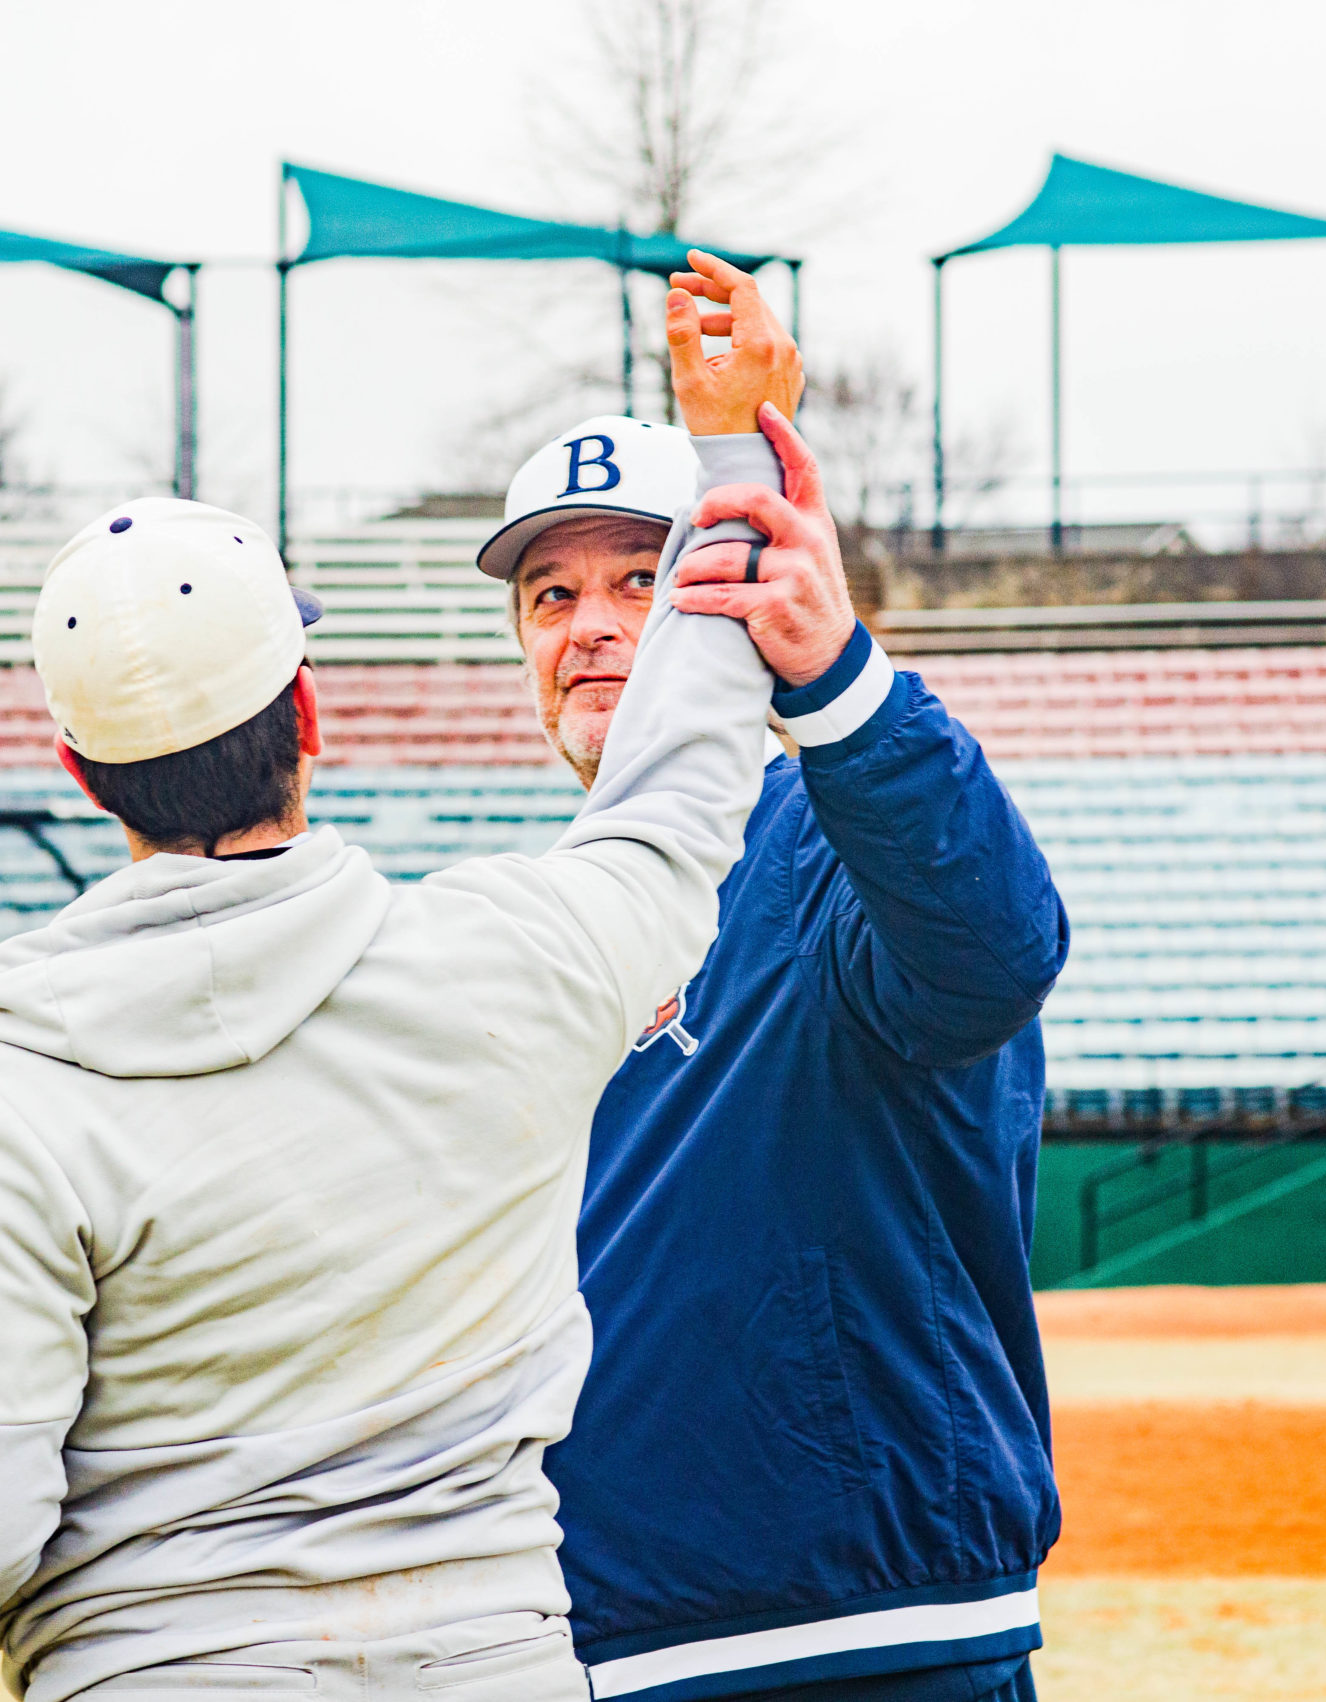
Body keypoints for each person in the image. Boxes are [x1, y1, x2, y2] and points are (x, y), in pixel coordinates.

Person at [0, 269, 802, 1702]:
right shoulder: (519, 958)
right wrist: (733, 456)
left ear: (83, 775)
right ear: (309, 710)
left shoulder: (15, 1101)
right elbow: (680, 785)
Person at [482, 253, 1072, 1702]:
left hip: (860, 1636)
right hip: (591, 1643)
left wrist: (839, 678)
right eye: (551, 594)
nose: (592, 624)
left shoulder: (831, 836)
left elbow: (993, 950)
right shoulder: (539, 920)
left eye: (641, 577)